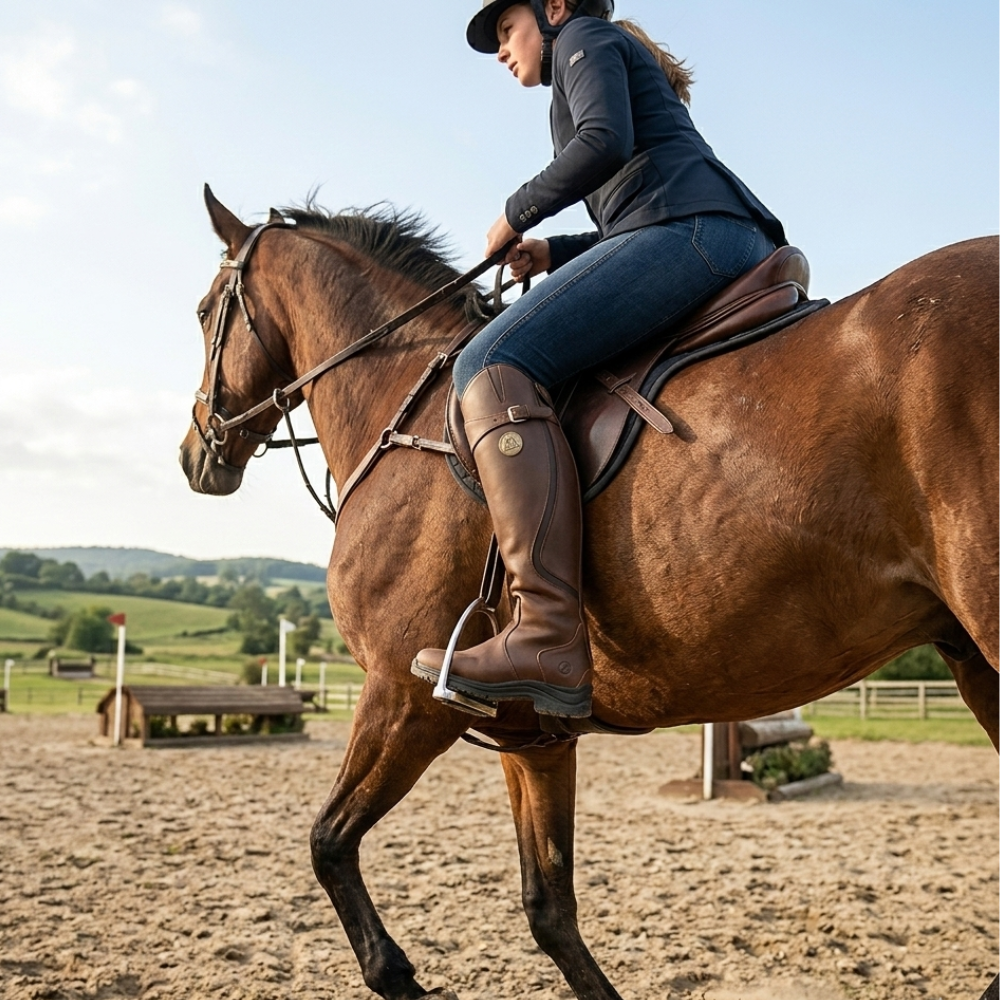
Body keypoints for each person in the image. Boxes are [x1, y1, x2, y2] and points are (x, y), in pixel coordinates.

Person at [412, 0, 787, 719]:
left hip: (696, 231)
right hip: (703, 229)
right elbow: (633, 213)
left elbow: (603, 142)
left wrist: (514, 212)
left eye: (505, 30)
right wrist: (553, 253)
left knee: (486, 364)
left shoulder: (584, 36)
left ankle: (545, 632)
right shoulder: (600, 50)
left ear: (553, 9)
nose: (501, 51)